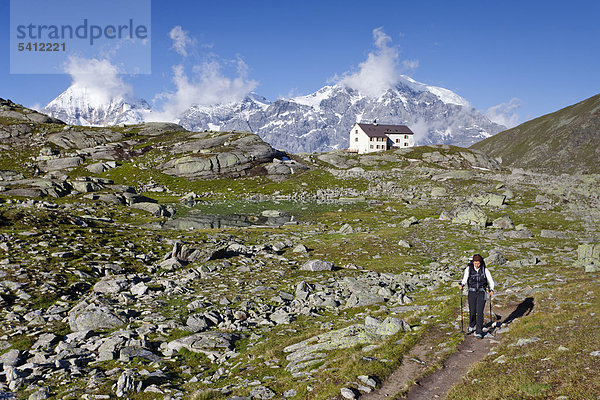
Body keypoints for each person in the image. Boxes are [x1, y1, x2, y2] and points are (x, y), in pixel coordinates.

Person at [459, 254, 495, 338]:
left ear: (481, 262)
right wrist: (462, 284)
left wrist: (491, 289)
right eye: (475, 263)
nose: (476, 265)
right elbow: (465, 279)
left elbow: (491, 281)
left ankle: (479, 331)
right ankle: (472, 324)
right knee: (472, 311)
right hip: (472, 292)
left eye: (478, 263)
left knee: (479, 312)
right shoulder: (469, 269)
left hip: (482, 292)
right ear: (473, 262)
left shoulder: (485, 270)